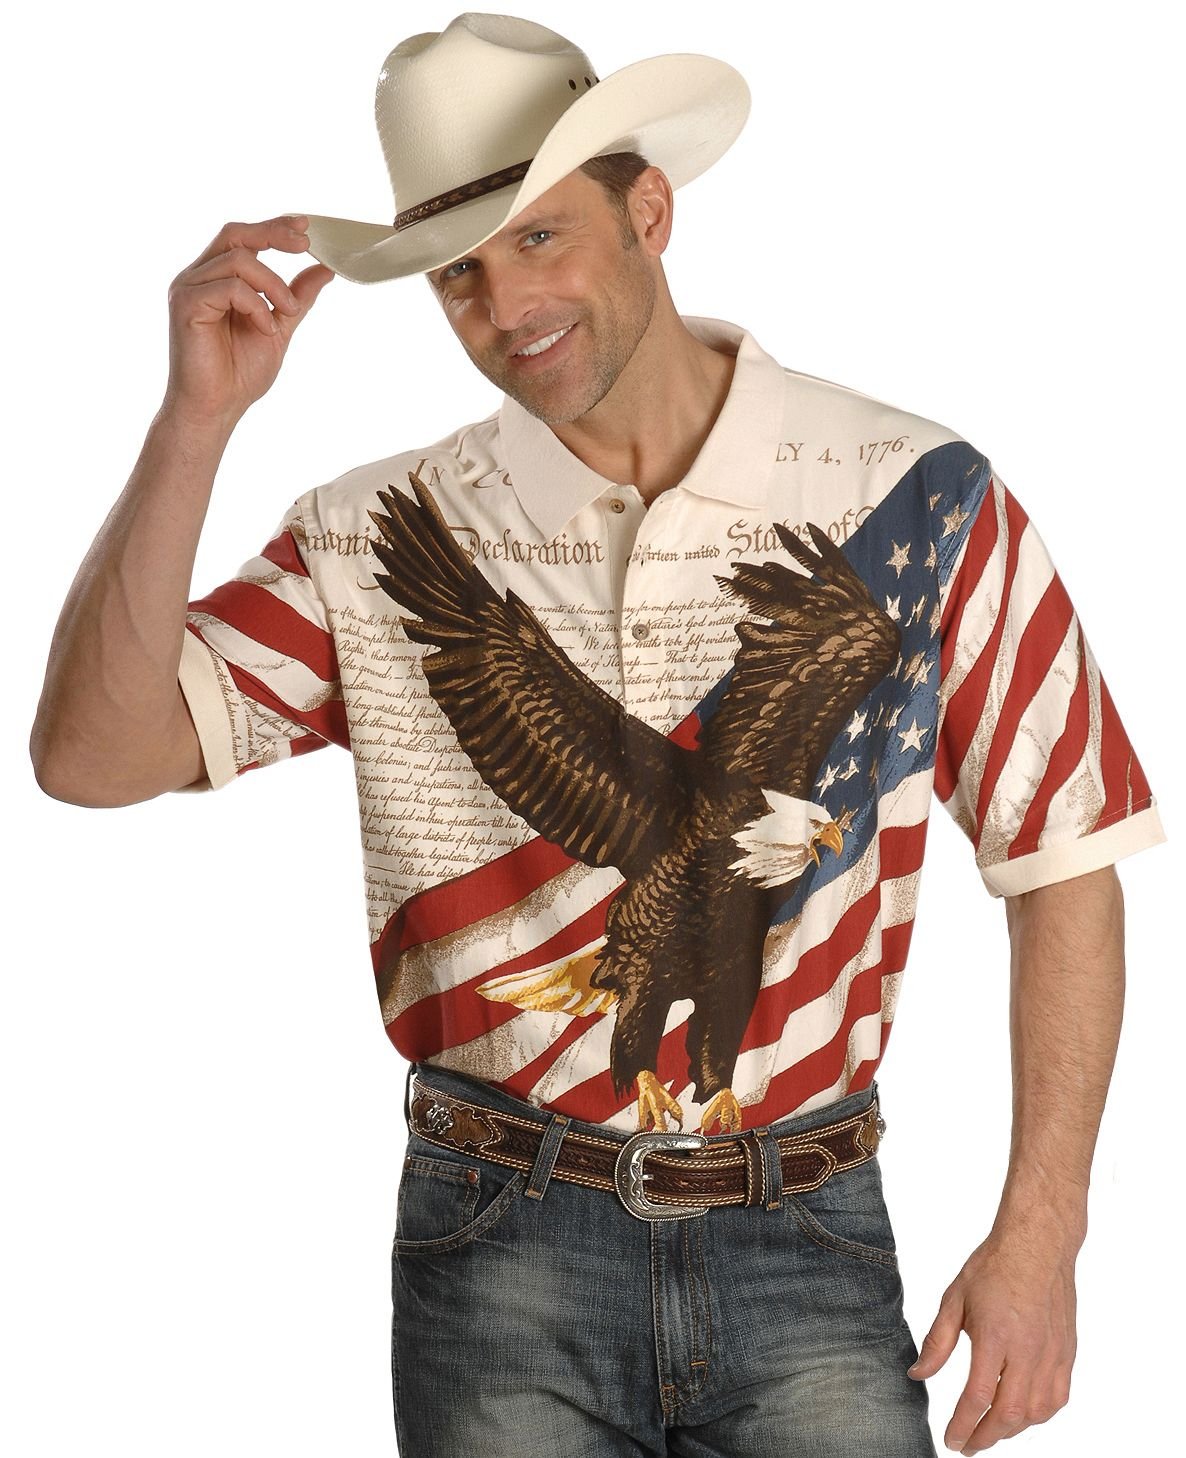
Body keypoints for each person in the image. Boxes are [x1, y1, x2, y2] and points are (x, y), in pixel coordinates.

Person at [29, 12, 1165, 1457]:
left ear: (650, 212)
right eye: (458, 271)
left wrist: (1043, 1235)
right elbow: (92, 758)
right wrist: (195, 424)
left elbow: (1067, 859)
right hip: (502, 1242)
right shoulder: (381, 533)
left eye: (539, 238)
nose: (505, 305)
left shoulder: (913, 495)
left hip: (805, 1232)